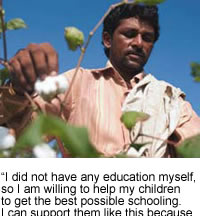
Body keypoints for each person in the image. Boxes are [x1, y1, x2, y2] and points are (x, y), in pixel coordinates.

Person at [0, 3, 200, 157]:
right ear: (107, 39)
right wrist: (18, 90)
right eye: (130, 34)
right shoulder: (77, 82)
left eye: (147, 38)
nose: (139, 43)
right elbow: (24, 135)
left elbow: (195, 150)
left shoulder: (172, 100)